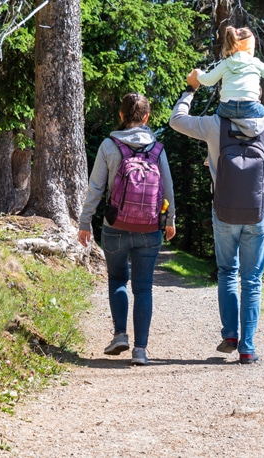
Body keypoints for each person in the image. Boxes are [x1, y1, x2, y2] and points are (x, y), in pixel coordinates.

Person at [169, 78, 264, 364]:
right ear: (257, 96)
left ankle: (230, 335)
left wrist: (191, 89)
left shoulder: (213, 125)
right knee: (252, 280)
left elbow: (176, 120)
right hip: (258, 213)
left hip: (223, 212)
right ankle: (247, 348)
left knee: (227, 272)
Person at [78, 92, 176, 366]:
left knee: (118, 279)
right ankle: (141, 350)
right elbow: (167, 187)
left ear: (121, 116)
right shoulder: (157, 148)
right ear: (146, 118)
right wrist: (170, 220)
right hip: (149, 228)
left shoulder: (109, 146)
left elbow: (95, 187)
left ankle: (120, 334)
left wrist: (85, 222)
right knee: (143, 289)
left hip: (115, 226)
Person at [189, 25, 264, 164]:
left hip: (227, 108)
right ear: (248, 47)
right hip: (250, 106)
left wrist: (198, 74)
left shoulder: (225, 64)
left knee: (216, 125)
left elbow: (208, 81)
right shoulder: (255, 63)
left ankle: (212, 155)